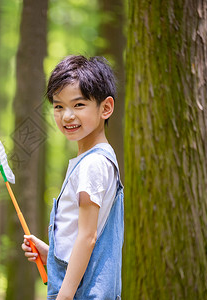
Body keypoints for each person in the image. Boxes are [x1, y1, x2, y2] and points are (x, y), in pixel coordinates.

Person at [21, 55, 124, 300]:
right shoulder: (94, 161)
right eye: (59, 106)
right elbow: (82, 234)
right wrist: (51, 253)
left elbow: (88, 237)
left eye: (78, 105)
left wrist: (64, 297)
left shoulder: (93, 164)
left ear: (105, 108)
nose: (67, 116)